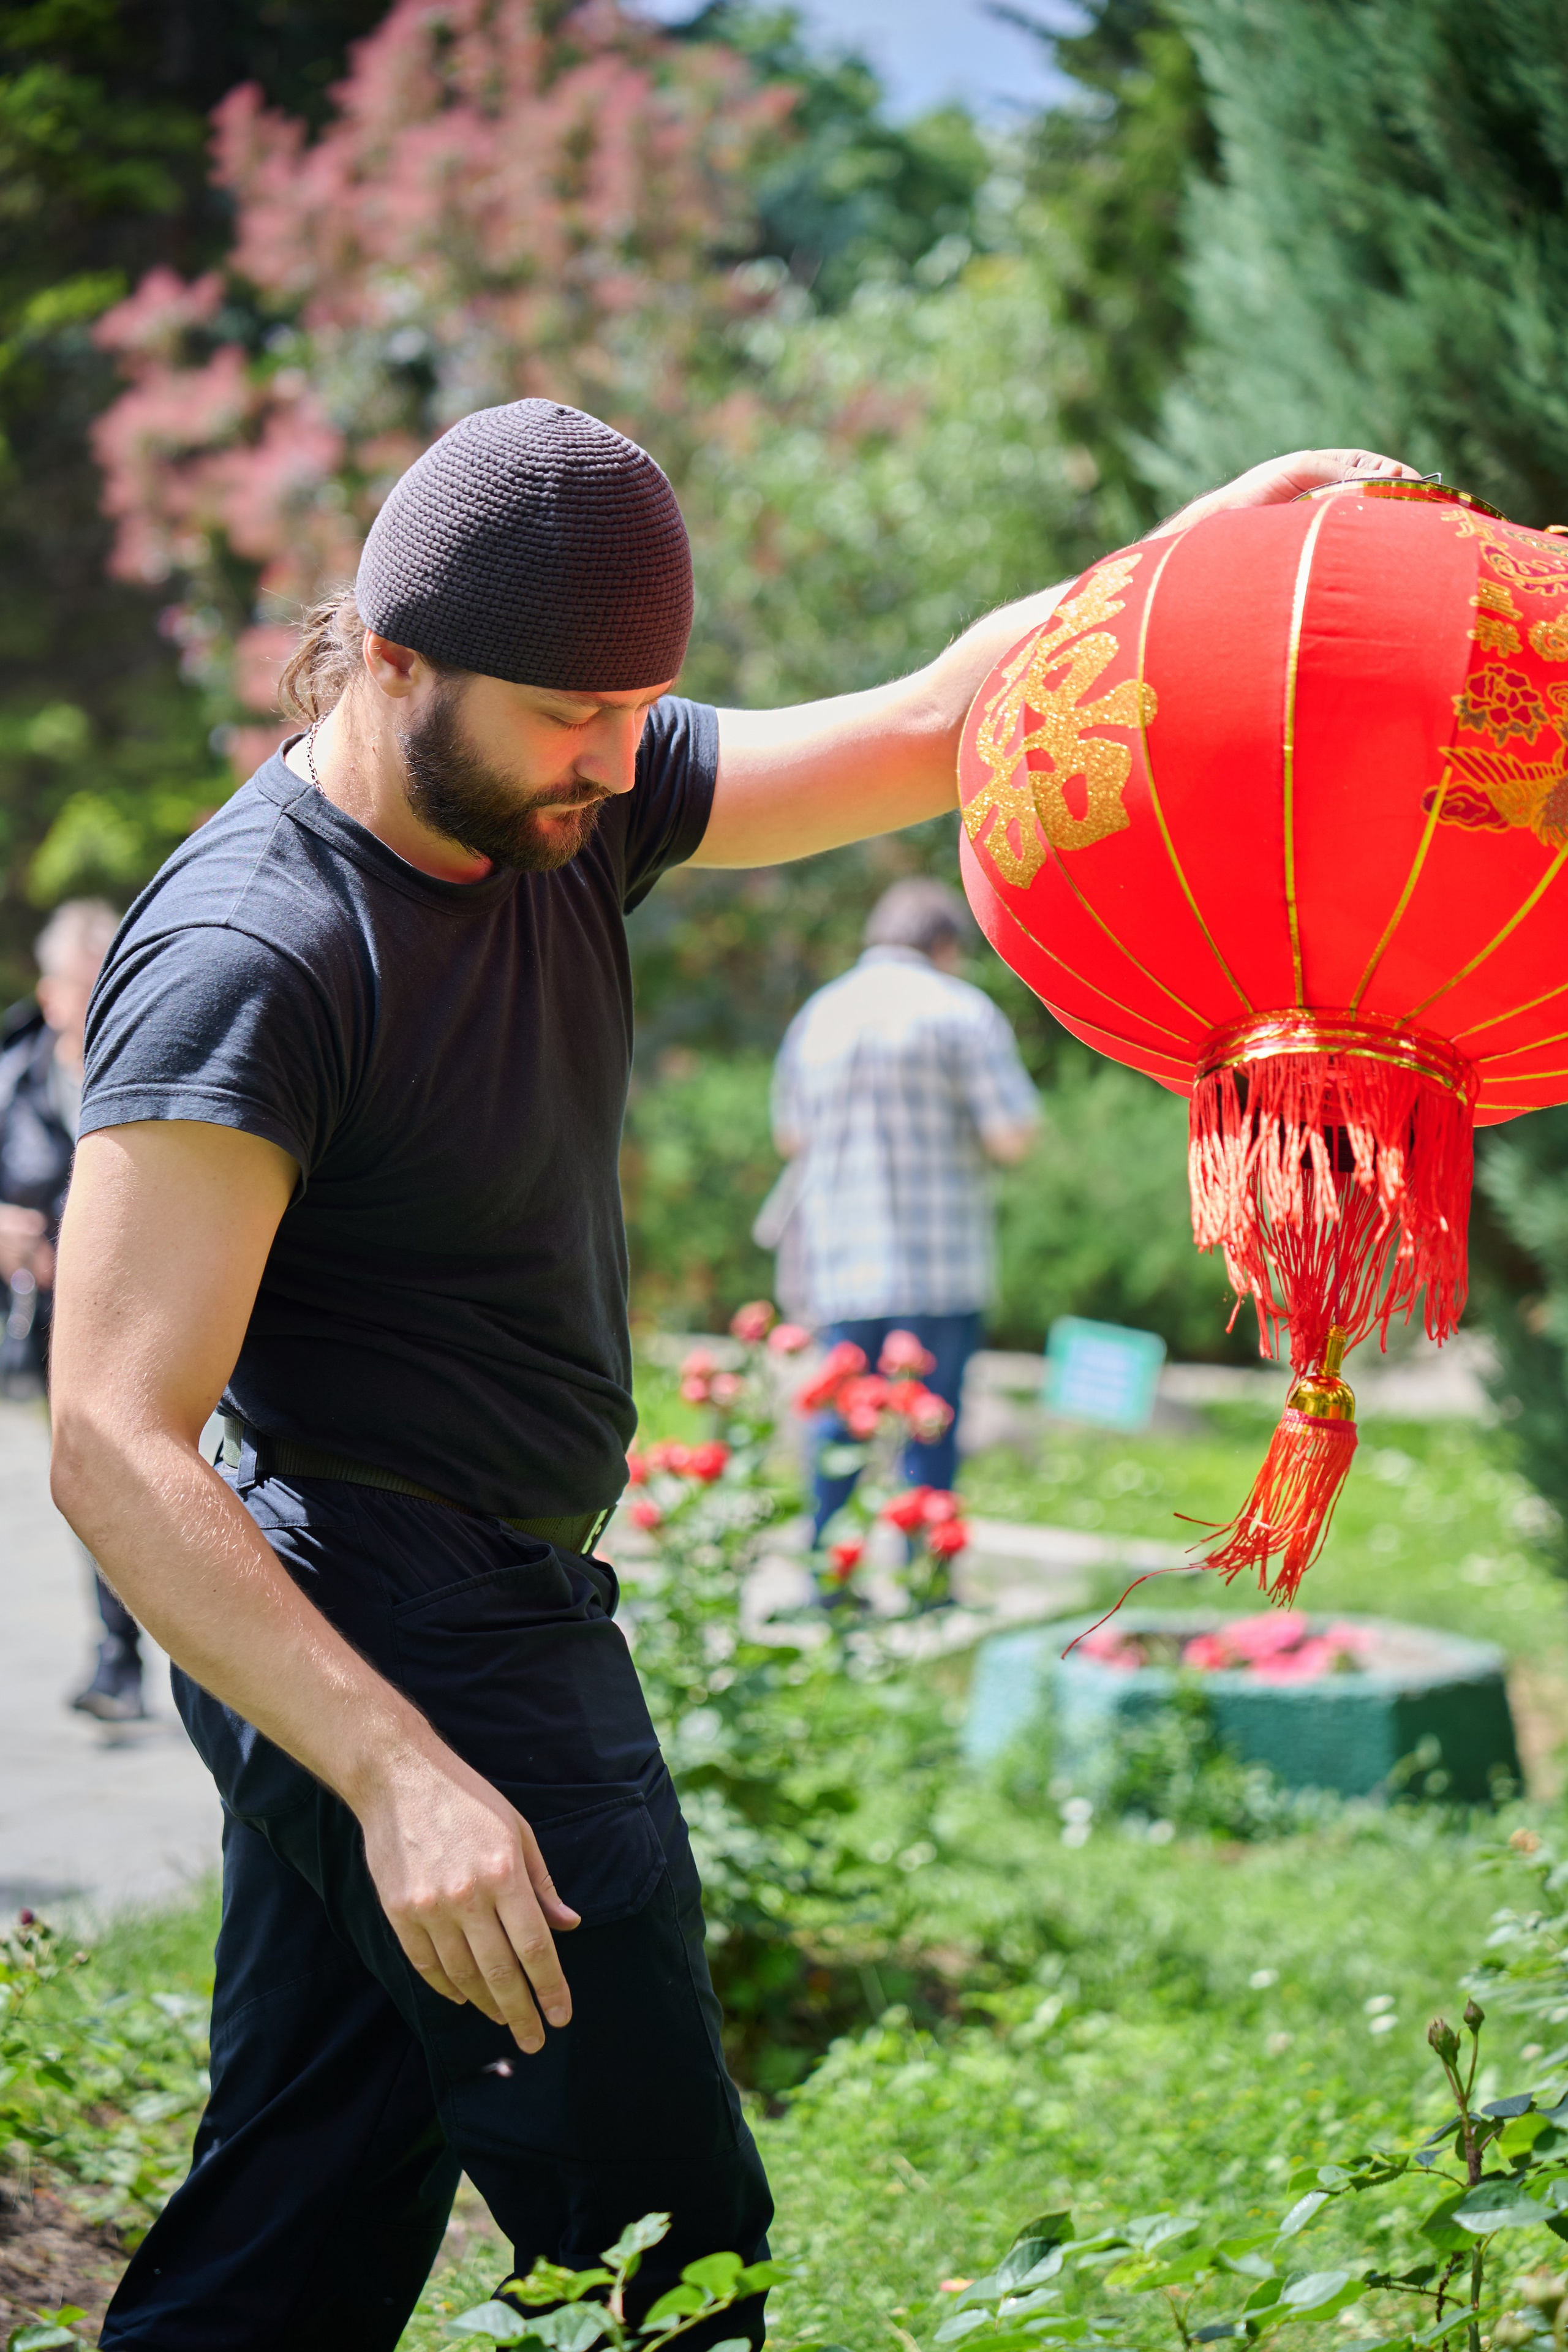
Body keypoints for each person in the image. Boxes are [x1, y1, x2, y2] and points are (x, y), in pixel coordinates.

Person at [44, 409, 1415, 2351]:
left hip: (483, 1593)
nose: (620, 761)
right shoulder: (259, 949)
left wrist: (1203, 557)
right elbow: (107, 1435)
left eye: (642, 710)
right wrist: (400, 1771)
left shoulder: (557, 792)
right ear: (393, 655)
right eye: (577, 715)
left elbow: (953, 714)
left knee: (298, 2221)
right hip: (397, 1627)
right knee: (671, 2252)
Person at [771, 879, 1039, 1547]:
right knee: (931, 1418)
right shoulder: (960, 1010)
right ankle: (926, 1579)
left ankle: (826, 1572)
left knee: (839, 1419)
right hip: (936, 1257)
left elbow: (789, 1137)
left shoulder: (819, 1014)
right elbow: (1013, 1134)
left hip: (840, 1258)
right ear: (944, 944)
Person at [0, 899, 145, 1719]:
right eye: (79, 988)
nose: (94, 1005)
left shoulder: (159, 1054)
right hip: (55, 1325)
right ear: (51, 993)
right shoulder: (12, 1078)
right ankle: (117, 1656)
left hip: (153, 1315)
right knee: (95, 1482)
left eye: (107, 985)